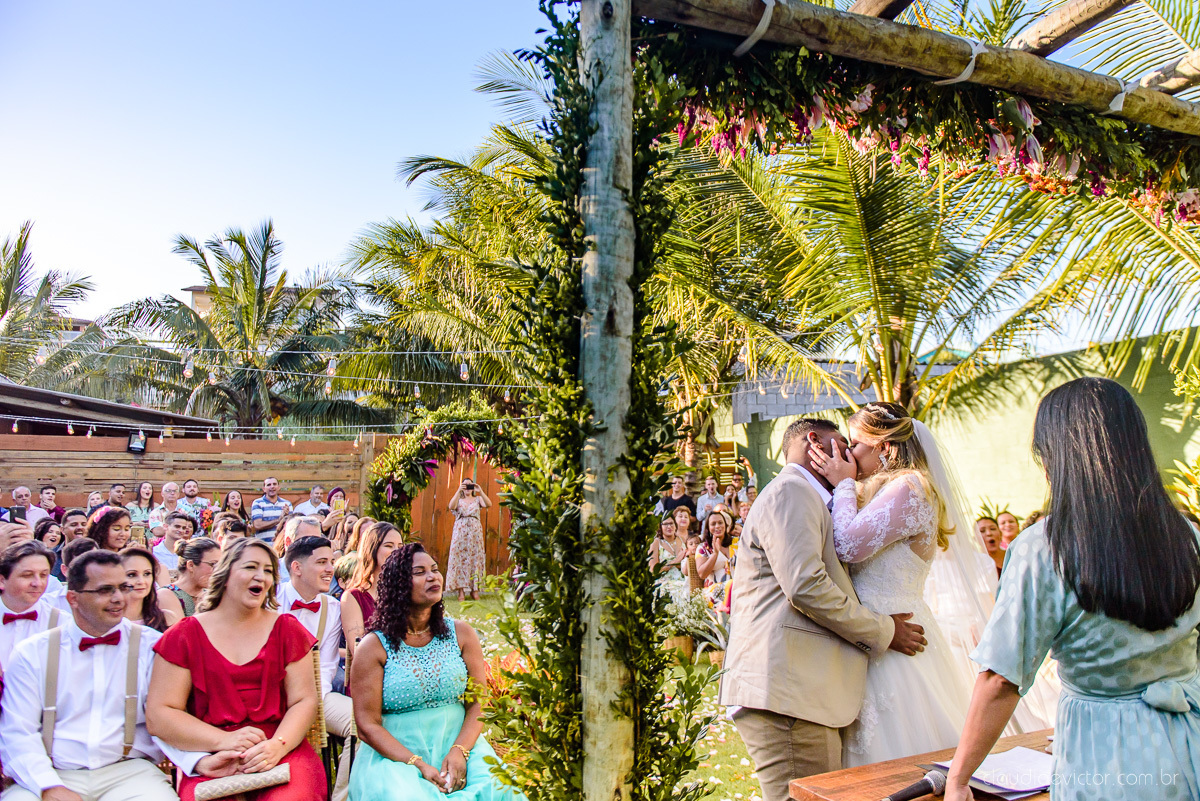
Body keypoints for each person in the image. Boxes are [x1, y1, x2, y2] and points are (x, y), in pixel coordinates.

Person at [946, 377, 1200, 801]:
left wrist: (957, 778)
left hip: (1107, 751)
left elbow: (1001, 680)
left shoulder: (1044, 547)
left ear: (1055, 458)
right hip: (1190, 736)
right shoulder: (1189, 536)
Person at [719, 418, 926, 801]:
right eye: (844, 444)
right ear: (814, 441)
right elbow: (806, 585)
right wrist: (884, 630)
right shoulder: (792, 492)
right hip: (789, 696)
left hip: (805, 695)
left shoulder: (810, 497)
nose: (849, 456)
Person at [806, 401, 980, 767]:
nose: (849, 454)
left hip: (897, 636)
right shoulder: (889, 489)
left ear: (884, 446)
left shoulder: (911, 487)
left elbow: (849, 545)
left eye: (855, 444)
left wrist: (844, 484)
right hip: (874, 630)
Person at [145, 537, 324, 801]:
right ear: (225, 574)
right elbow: (160, 714)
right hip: (210, 751)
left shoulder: (287, 629)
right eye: (251, 567)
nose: (261, 577)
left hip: (280, 746)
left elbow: (305, 701)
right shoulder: (184, 635)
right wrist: (222, 741)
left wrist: (277, 745)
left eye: (267, 571)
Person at [0, 550, 180, 801]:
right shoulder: (32, 652)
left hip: (131, 772)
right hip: (52, 770)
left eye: (123, 587)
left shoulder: (151, 646)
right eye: (105, 590)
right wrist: (48, 786)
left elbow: (170, 716)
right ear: (72, 598)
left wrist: (200, 760)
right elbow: (18, 731)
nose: (119, 598)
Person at [348, 543, 520, 801]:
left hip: (458, 745)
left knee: (501, 788)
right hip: (395, 759)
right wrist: (416, 763)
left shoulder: (461, 634)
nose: (432, 577)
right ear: (398, 585)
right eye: (419, 572)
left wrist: (460, 750)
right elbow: (367, 725)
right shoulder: (374, 647)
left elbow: (479, 702)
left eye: (435, 570)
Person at [278, 534, 352, 801]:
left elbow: (328, 664)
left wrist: (311, 702)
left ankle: (341, 796)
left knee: (361, 722)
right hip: (273, 698)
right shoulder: (270, 600)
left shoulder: (332, 607)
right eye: (322, 562)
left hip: (315, 695)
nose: (330, 569)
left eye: (331, 562)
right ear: (296, 568)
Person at [341, 522, 404, 671]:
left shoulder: (407, 593)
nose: (396, 552)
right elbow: (358, 650)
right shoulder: (353, 597)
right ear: (372, 550)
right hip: (370, 676)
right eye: (389, 546)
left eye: (400, 547)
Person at [0, 540, 62, 672]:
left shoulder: (61, 624)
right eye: (27, 575)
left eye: (43, 575)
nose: (37, 583)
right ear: (2, 580)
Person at [446, 479, 491, 602]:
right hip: (460, 532)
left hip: (475, 534)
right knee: (460, 559)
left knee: (475, 558)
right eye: (465, 485)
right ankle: (461, 591)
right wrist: (458, 491)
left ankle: (474, 590)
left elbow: (488, 504)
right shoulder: (458, 500)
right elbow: (451, 506)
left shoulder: (477, 500)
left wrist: (480, 491)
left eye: (469, 485)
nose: (467, 488)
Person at [157, 538, 219, 625]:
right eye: (213, 564)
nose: (218, 571)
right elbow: (180, 634)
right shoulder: (166, 595)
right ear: (190, 565)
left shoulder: (209, 594)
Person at [120, 546, 169, 632]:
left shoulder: (167, 618)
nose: (141, 581)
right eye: (132, 575)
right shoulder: (105, 620)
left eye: (147, 574)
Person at [152, 512, 197, 579]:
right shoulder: (154, 552)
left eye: (184, 528)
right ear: (165, 527)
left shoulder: (189, 553)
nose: (181, 530)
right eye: (177, 526)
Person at [250, 477, 292, 543]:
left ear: (278, 487)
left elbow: (291, 526)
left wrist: (286, 518)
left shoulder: (287, 504)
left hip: (281, 545)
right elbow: (257, 525)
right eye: (269, 485)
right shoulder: (258, 503)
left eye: (274, 484)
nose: (272, 486)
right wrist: (279, 520)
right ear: (264, 489)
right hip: (263, 545)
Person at [698, 508, 733, 584]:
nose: (717, 526)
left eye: (720, 523)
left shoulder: (737, 542)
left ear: (725, 525)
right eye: (713, 524)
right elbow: (702, 575)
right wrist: (715, 554)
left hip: (738, 587)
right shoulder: (703, 548)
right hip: (715, 590)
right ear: (708, 528)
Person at [648, 515, 684, 583]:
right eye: (665, 524)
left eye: (671, 523)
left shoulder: (681, 540)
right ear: (660, 527)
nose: (669, 526)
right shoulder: (656, 542)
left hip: (683, 580)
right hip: (664, 582)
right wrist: (674, 562)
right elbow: (653, 571)